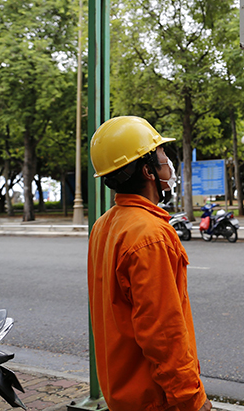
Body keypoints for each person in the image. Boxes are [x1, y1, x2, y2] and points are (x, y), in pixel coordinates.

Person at [87, 116, 211, 411]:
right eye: (162, 156)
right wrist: (191, 398)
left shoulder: (105, 225)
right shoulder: (151, 235)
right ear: (148, 171)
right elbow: (162, 333)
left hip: (122, 394)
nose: (168, 163)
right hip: (156, 400)